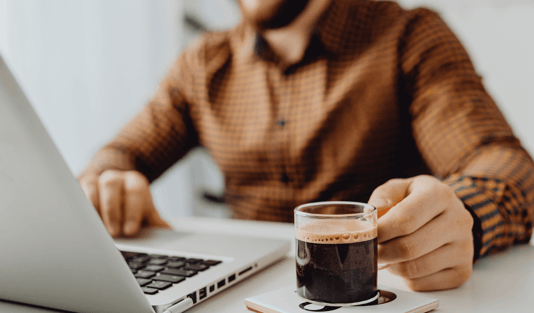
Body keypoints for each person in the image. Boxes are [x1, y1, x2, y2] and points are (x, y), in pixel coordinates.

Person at [78, 0, 534, 292]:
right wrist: (107, 180)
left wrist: (464, 217)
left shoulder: (409, 37)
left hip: (379, 295)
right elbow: (120, 153)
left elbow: (505, 164)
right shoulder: (202, 64)